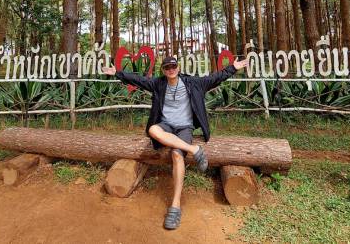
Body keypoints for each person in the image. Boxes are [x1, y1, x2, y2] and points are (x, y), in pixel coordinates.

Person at [102, 55, 247, 230]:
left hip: (184, 127)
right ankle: (194, 149)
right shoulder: (159, 84)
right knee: (152, 130)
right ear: (163, 70)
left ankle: (175, 206)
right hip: (166, 125)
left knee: (177, 155)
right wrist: (117, 72)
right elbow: (138, 80)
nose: (171, 70)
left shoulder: (193, 83)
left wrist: (233, 67)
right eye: (167, 67)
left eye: (173, 66)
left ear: (178, 68)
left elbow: (215, 78)